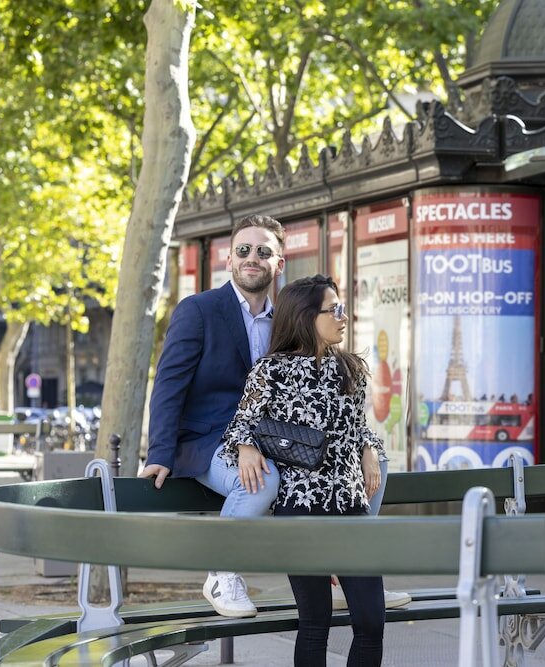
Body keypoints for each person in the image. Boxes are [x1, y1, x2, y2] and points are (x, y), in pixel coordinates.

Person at [221, 274, 386, 666]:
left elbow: (360, 428)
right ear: (306, 316)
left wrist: (370, 448)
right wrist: (245, 447)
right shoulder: (271, 371)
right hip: (302, 510)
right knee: (315, 623)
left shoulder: (351, 368)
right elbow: (240, 426)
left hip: (350, 507)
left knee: (371, 621)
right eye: (334, 310)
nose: (343, 317)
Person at [141, 214, 285, 618]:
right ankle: (222, 574)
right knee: (260, 483)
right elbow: (169, 386)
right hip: (205, 441)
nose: (251, 258)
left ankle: (339, 572)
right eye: (243, 250)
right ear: (229, 260)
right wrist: (160, 452)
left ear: (279, 263)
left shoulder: (287, 320)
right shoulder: (199, 310)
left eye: (262, 251)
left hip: (269, 442)